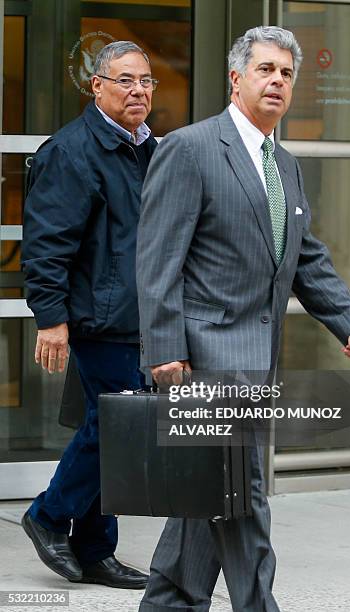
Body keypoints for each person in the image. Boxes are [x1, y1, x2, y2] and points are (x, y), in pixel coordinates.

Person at [135, 26, 350, 611]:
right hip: (201, 359)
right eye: (265, 70)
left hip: (255, 362)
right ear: (236, 78)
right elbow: (158, 257)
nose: (277, 82)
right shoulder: (190, 148)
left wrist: (347, 318)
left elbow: (303, 256)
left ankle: (168, 602)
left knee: (207, 495)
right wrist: (165, 349)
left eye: (286, 74)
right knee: (242, 492)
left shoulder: (285, 166)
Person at [21, 40, 158, 589]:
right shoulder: (73, 151)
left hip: (139, 316)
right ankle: (50, 515)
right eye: (124, 80)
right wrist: (50, 317)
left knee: (117, 429)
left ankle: (96, 548)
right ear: (96, 86)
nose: (138, 90)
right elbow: (47, 244)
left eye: (146, 80)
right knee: (115, 426)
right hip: (98, 318)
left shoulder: (149, 148)